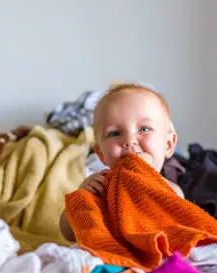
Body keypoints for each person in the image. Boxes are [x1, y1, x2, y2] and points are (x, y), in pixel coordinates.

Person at [60, 83, 183, 242]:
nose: (129, 140)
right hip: (106, 255)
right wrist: (81, 197)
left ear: (168, 144)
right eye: (115, 133)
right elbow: (68, 234)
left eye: (144, 129)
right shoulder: (100, 188)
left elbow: (182, 231)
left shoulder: (171, 191)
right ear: (101, 154)